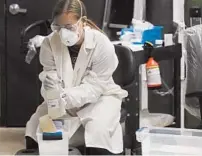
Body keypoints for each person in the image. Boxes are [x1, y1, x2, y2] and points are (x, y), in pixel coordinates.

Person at [24, 0, 128, 155]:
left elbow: (95, 87)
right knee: (35, 127)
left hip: (100, 98)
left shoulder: (101, 44)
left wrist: (64, 97)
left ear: (83, 22)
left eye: (69, 27)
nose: (63, 32)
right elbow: (49, 78)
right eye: (58, 27)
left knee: (97, 129)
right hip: (61, 101)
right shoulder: (50, 43)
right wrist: (52, 95)